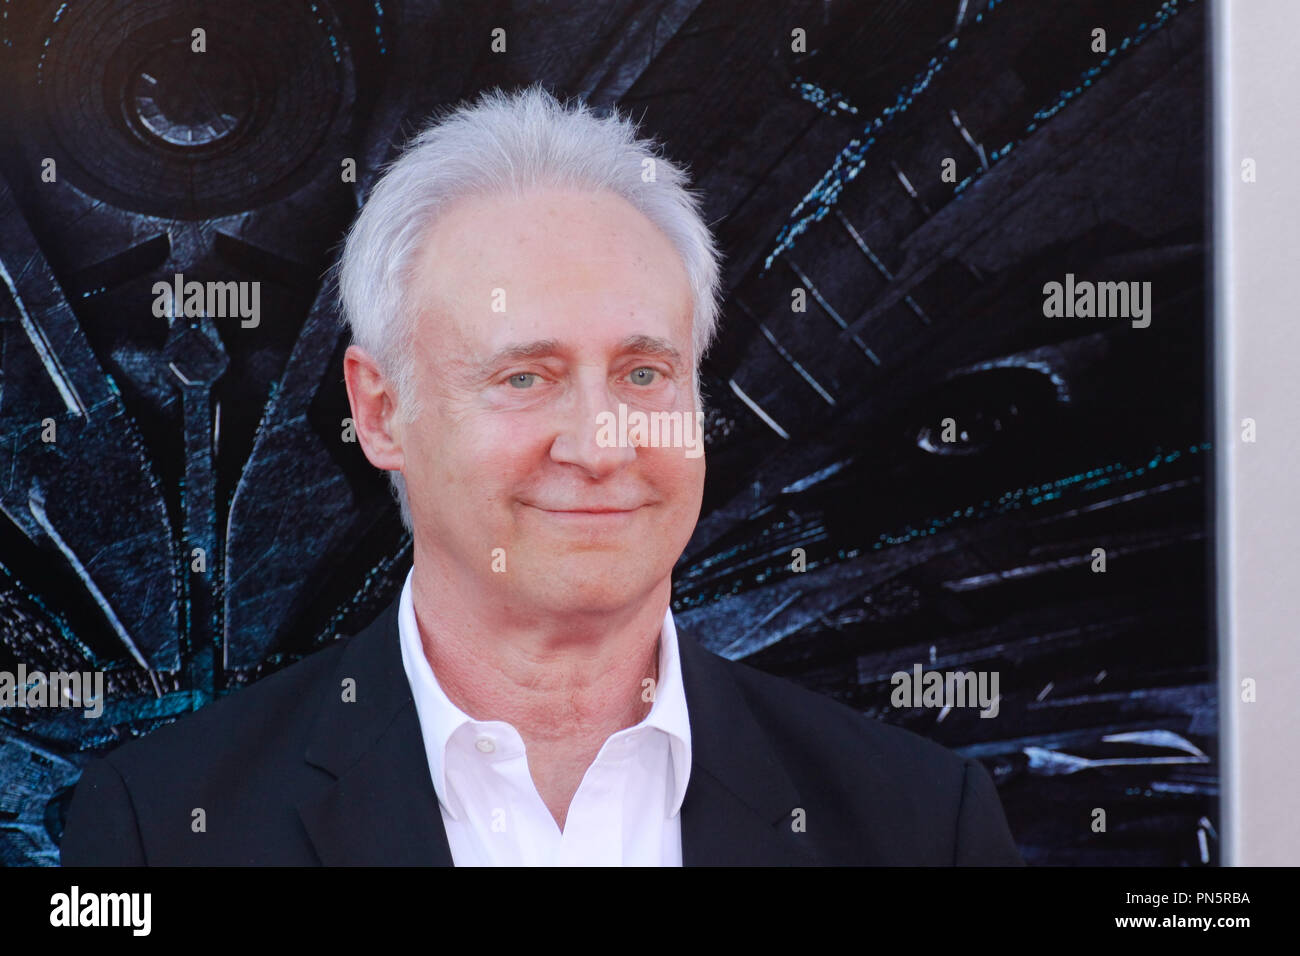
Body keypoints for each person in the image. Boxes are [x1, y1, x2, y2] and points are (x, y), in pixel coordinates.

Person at [60, 84, 1023, 866]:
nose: (600, 445)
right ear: (381, 410)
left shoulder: (920, 825)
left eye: (645, 373)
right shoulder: (163, 831)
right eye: (525, 376)